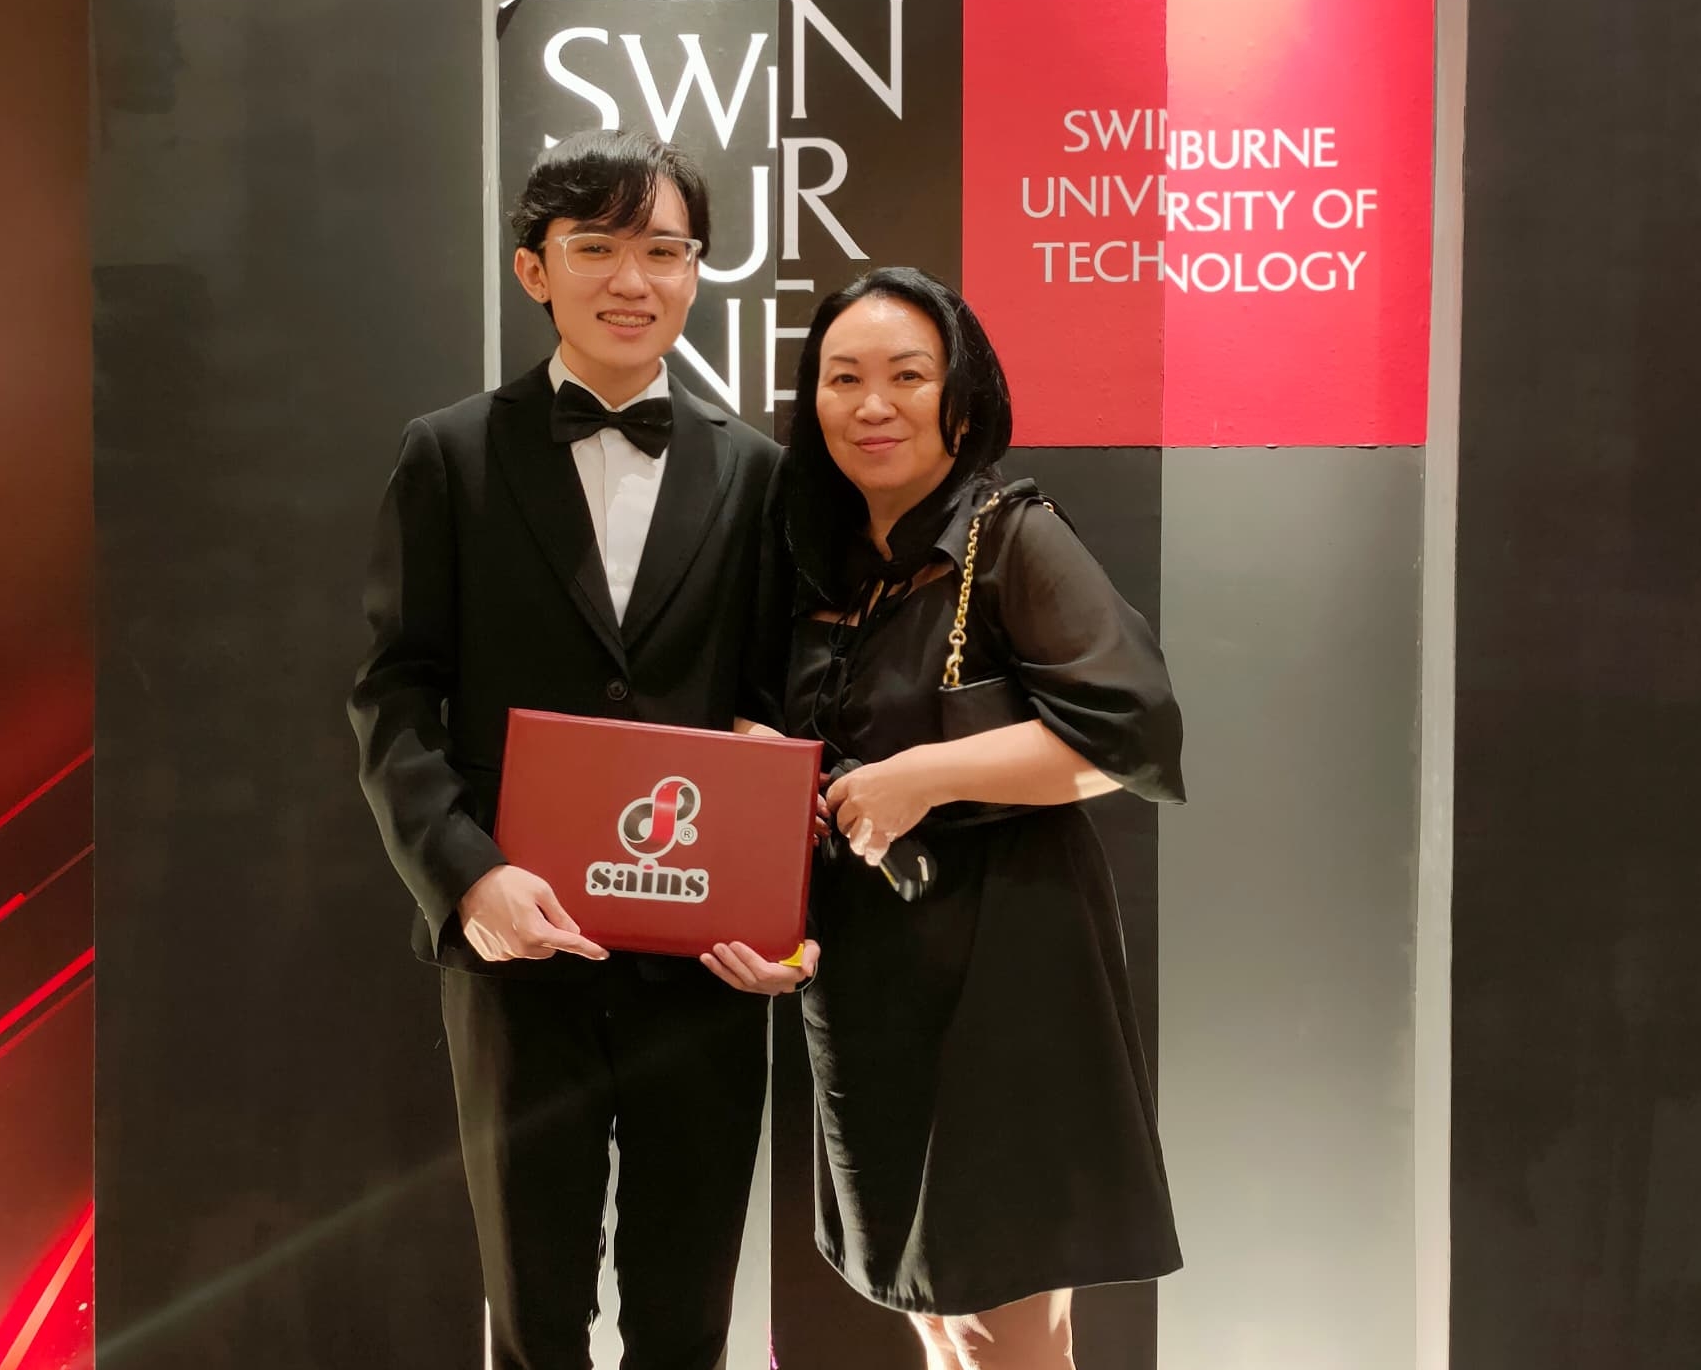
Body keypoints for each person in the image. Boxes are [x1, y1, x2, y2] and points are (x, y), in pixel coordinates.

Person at [349, 128, 811, 1370]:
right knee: (532, 1318)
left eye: (664, 250)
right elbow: (396, 695)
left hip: (703, 970)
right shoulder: (450, 454)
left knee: (686, 1320)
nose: (632, 280)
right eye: (597, 248)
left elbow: (780, 706)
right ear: (533, 269)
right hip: (518, 957)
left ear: (698, 271)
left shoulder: (759, 475)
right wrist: (467, 878)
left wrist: (783, 902)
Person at [780, 267, 1185, 1370]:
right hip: (870, 982)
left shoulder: (1009, 536)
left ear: (962, 396)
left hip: (1006, 973)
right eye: (843, 378)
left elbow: (1132, 735)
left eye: (908, 376)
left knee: (1003, 1324)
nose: (874, 404)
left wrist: (924, 776)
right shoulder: (832, 563)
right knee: (938, 1314)